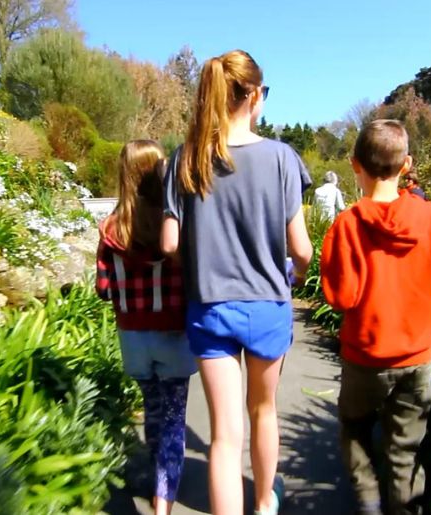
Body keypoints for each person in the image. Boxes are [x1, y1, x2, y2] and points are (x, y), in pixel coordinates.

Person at [161, 50, 313, 515]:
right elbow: (301, 249)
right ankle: (266, 501)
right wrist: (299, 274)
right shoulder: (282, 158)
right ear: (251, 96)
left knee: (225, 435)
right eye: (262, 92)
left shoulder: (185, 159)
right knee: (263, 412)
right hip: (267, 304)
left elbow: (169, 244)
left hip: (210, 307)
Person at [320, 120, 431, 515]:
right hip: (417, 357)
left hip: (364, 357)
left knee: (355, 432)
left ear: (355, 165)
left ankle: (368, 504)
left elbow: (340, 297)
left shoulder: (347, 225)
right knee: (405, 451)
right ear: (406, 164)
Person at [96, 140, 197, 515]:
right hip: (173, 333)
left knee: (153, 407)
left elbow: (104, 290)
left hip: (133, 338)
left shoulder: (109, 228)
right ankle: (163, 499)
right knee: (173, 418)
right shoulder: (175, 227)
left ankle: (158, 471)